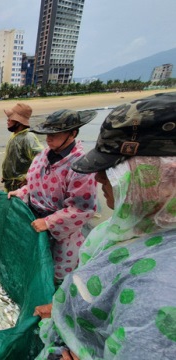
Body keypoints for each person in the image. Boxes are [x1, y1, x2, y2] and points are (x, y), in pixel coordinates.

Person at [33, 92, 176, 359]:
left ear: (162, 174)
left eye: (113, 169)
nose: (98, 178)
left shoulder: (162, 293)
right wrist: (64, 308)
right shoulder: (127, 225)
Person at [7, 109, 98, 282]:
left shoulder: (81, 166)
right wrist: (21, 193)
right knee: (33, 267)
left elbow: (82, 209)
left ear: (73, 133)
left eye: (55, 134)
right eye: (47, 133)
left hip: (63, 233)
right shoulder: (43, 156)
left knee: (56, 275)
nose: (48, 138)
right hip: (34, 222)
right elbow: (33, 185)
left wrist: (49, 222)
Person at [1, 103, 43, 191]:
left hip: (20, 188)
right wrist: (7, 175)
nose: (7, 120)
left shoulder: (28, 137)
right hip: (10, 184)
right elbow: (13, 159)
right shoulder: (15, 135)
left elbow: (41, 160)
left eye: (10, 118)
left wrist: (28, 177)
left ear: (19, 122)